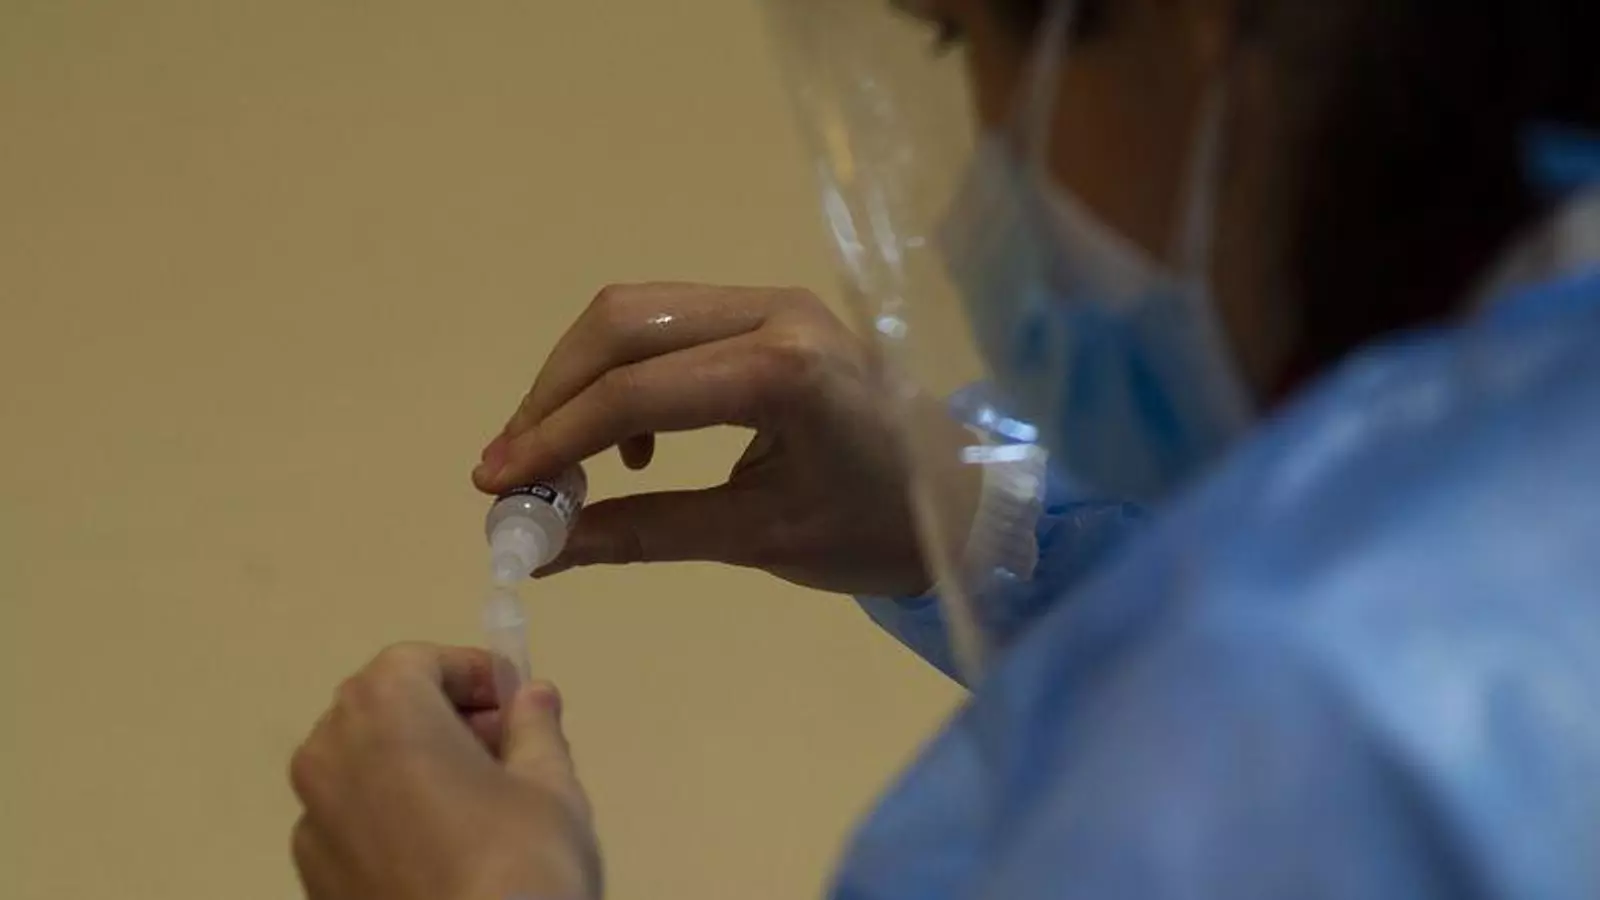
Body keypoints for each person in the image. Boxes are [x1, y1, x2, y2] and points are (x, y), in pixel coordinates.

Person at [288, 0, 1600, 897]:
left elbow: (1307, 692)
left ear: (1193, 23)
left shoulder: (1288, 708)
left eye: (962, 37)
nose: (987, 157)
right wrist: (972, 510)